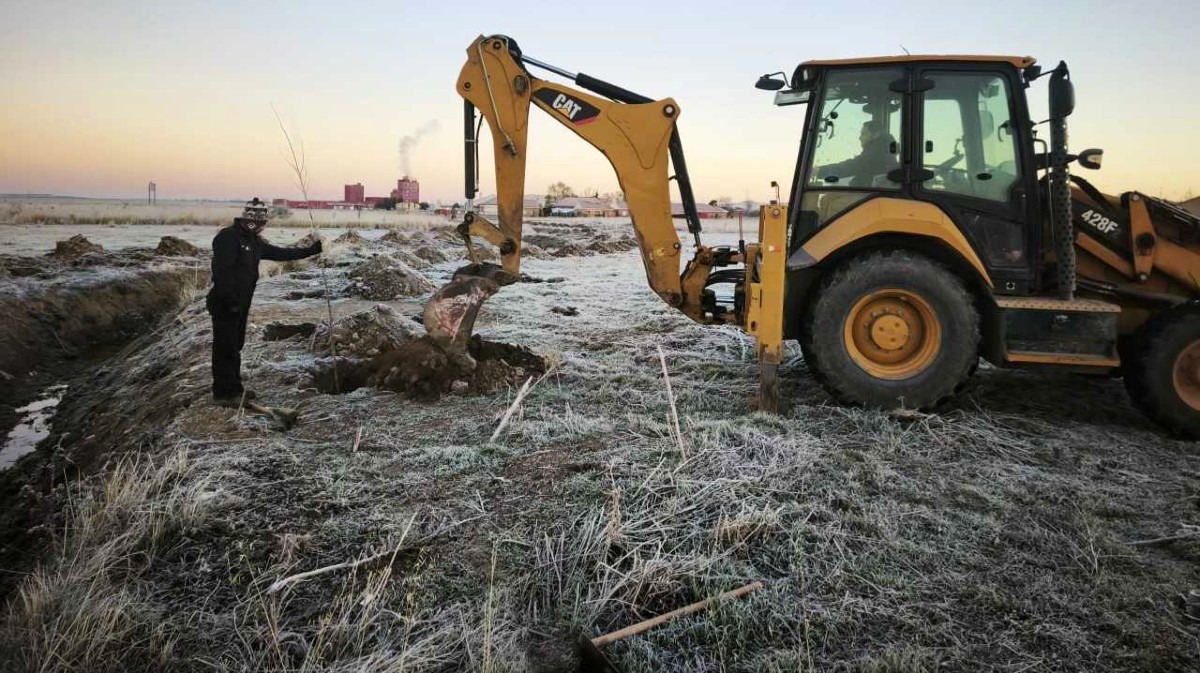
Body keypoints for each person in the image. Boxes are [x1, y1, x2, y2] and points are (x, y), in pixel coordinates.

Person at [206, 198, 322, 406]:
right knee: (225, 347)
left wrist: (311, 250)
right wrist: (230, 301)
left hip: (242, 302)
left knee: (235, 345)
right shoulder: (227, 237)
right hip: (225, 303)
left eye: (263, 222)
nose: (261, 226)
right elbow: (222, 272)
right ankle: (224, 394)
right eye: (258, 222)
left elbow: (280, 253)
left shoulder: (254, 241)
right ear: (247, 220)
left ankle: (235, 387)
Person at [816, 121, 898, 188]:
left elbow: (851, 166)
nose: (860, 137)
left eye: (863, 134)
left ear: (876, 135)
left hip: (868, 195)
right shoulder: (884, 150)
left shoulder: (876, 153)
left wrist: (819, 171)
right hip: (869, 192)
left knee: (828, 198)